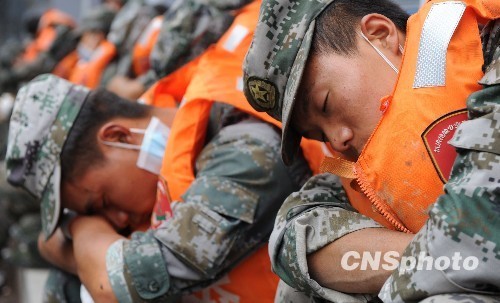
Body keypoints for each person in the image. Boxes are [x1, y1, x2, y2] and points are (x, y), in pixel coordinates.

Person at [6, 3, 320, 299]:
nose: (116, 217)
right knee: (65, 284)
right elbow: (46, 243)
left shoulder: (246, 150)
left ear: (119, 135)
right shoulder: (159, 112)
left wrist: (79, 227)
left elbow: (114, 285)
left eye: (101, 201)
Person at [243, 0, 500, 301]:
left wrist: (391, 272)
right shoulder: (359, 167)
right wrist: (428, 254)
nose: (337, 140)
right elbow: (292, 236)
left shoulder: (491, 49)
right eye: (317, 134)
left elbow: (477, 236)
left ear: (380, 34)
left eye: (326, 104)